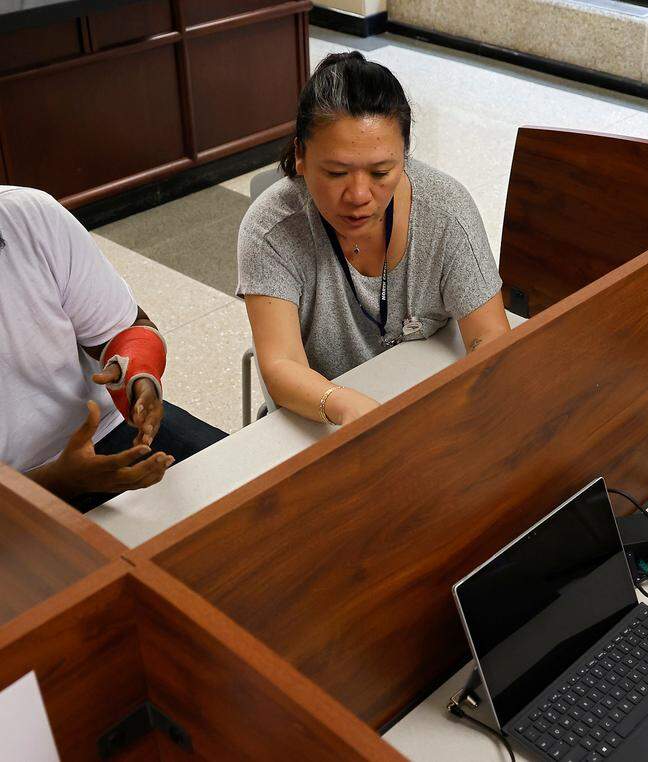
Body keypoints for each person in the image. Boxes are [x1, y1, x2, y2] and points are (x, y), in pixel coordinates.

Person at [237, 52, 510, 427]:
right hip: (321, 418)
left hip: (429, 403)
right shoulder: (272, 229)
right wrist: (344, 406)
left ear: (404, 157)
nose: (359, 196)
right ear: (300, 155)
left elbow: (490, 335)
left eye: (381, 171)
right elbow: (281, 363)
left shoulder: (445, 211)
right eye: (336, 173)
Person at [0, 185, 227, 511]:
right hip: (16, 499)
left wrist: (139, 377)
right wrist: (60, 480)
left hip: (112, 432)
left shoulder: (26, 215)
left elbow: (125, 329)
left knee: (270, 494)